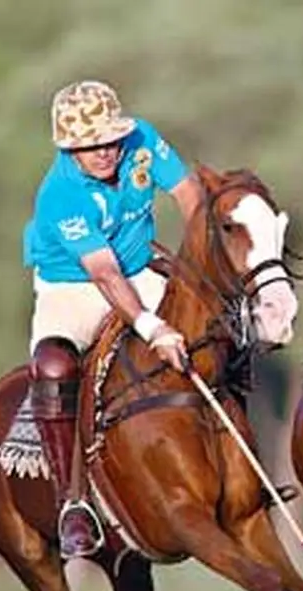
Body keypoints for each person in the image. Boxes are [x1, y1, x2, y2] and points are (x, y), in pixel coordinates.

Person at [22, 79, 202, 559]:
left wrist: (201, 257)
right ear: (69, 149)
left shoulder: (141, 138)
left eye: (110, 139)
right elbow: (102, 273)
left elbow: (188, 193)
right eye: (89, 145)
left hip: (140, 267)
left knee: (207, 328)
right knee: (54, 366)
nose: (104, 151)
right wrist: (151, 327)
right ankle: (73, 502)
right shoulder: (60, 194)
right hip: (74, 286)